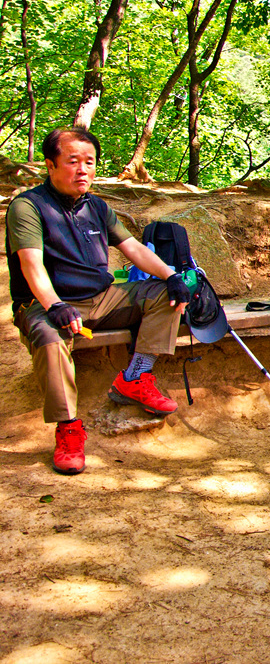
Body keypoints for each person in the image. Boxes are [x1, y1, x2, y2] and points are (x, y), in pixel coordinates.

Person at [5, 126, 191, 476]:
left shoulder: (97, 207)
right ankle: (68, 428)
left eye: (89, 162)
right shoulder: (28, 207)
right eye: (72, 161)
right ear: (50, 165)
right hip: (46, 303)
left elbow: (133, 249)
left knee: (166, 296)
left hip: (101, 298)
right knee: (49, 337)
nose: (83, 170)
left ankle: (135, 377)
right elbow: (31, 264)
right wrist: (54, 305)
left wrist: (171, 276)